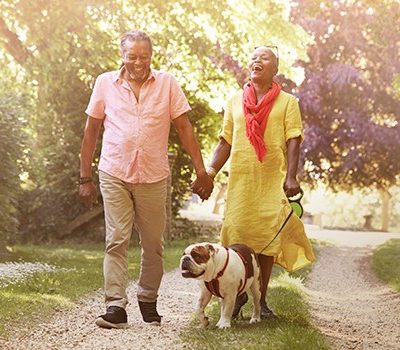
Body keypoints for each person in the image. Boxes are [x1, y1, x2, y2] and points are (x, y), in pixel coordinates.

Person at [79, 29, 213, 328]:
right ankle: (115, 306)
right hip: (114, 171)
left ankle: (147, 299)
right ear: (122, 57)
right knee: (116, 240)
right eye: (132, 57)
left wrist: (201, 170)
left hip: (153, 176)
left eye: (144, 56)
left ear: (152, 56)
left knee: (153, 243)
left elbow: (184, 128)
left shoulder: (167, 83)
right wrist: (85, 178)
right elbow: (91, 132)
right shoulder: (105, 83)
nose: (139, 62)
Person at [192, 45, 316, 318]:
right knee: (236, 236)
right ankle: (236, 295)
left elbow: (293, 139)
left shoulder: (288, 102)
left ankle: (262, 302)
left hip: (272, 180)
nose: (257, 61)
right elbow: (226, 140)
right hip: (241, 182)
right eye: (253, 57)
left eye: (265, 58)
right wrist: (210, 173)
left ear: (275, 69)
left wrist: (292, 176)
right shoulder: (235, 100)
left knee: (265, 242)